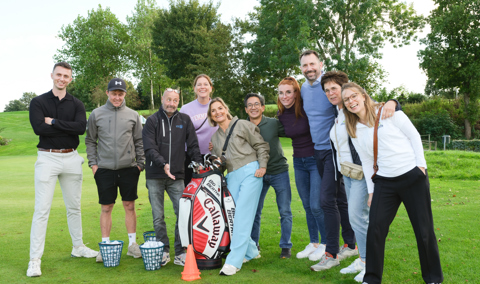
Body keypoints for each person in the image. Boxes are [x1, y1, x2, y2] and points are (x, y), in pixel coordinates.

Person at [341, 82, 443, 284]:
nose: (351, 101)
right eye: (346, 100)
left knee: (424, 230)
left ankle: (433, 278)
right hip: (385, 183)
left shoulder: (388, 111)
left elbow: (414, 136)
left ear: (363, 95)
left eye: (353, 96)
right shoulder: (353, 128)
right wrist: (371, 192)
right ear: (344, 105)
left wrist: (421, 168)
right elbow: (367, 161)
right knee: (375, 230)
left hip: (412, 177)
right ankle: (371, 279)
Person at [322, 71, 398, 282]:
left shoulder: (355, 111)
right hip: (347, 173)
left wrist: (394, 101)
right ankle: (364, 259)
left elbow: (381, 109)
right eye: (327, 90)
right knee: (357, 219)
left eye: (334, 89)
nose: (330, 93)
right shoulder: (339, 114)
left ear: (345, 88)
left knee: (358, 217)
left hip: (363, 173)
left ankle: (369, 263)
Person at [27, 62, 98, 277]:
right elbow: (39, 128)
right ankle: (34, 260)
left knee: (74, 207)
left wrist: (54, 122)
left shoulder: (76, 103)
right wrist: (62, 125)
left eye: (66, 76)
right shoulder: (38, 102)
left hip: (71, 157)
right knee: (42, 210)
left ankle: (78, 247)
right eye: (59, 75)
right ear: (52, 75)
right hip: (47, 157)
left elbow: (80, 128)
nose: (62, 79)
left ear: (70, 79)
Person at [299, 50, 356, 271]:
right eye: (304, 65)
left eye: (312, 64)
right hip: (318, 151)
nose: (309, 68)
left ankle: (331, 253)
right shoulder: (304, 88)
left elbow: (360, 101)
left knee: (326, 201)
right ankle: (350, 244)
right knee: (340, 198)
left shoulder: (334, 87)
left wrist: (393, 102)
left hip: (334, 151)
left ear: (320, 64)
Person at [85, 78, 145, 262]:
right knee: (106, 207)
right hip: (104, 169)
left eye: (120, 94)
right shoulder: (96, 114)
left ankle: (133, 245)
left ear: (124, 94)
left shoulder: (133, 115)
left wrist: (140, 163)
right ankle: (105, 246)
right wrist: (93, 164)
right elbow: (90, 140)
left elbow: (139, 141)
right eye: (114, 94)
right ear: (107, 93)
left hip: (128, 168)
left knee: (129, 205)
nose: (117, 97)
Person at [208, 97, 269, 276]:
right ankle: (251, 251)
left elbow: (261, 145)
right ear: (211, 116)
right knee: (232, 216)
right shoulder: (215, 138)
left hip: (251, 171)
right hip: (232, 175)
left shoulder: (242, 124)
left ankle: (233, 261)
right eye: (213, 111)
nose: (218, 112)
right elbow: (221, 162)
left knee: (242, 214)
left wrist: (263, 166)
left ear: (226, 109)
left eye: (220, 108)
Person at [142, 88, 202, 267]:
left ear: (178, 102)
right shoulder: (152, 121)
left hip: (177, 176)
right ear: (162, 99)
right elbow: (149, 148)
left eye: (175, 100)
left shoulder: (184, 120)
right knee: (158, 216)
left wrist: (198, 162)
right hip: (155, 175)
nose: (171, 103)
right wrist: (163, 164)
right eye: (168, 99)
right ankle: (163, 250)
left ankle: (179, 252)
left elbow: (192, 145)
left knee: (182, 214)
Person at [276, 77, 327, 261]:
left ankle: (325, 243)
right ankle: (313, 243)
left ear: (296, 93)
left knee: (316, 205)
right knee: (306, 205)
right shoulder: (281, 115)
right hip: (298, 162)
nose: (284, 96)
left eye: (288, 92)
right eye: (281, 93)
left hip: (315, 160)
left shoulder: (306, 109)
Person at [244, 93, 293, 259]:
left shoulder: (273, 123)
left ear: (263, 107)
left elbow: (294, 131)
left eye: (256, 104)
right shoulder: (243, 127)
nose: (253, 107)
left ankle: (286, 246)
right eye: (250, 105)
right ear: (246, 109)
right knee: (255, 212)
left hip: (279, 171)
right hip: (257, 174)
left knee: (285, 211)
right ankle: (254, 245)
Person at [180, 74, 218, 186]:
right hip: (190, 157)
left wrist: (217, 144)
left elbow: (226, 129)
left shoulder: (217, 106)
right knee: (191, 189)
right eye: (199, 84)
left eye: (206, 84)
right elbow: (180, 135)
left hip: (212, 156)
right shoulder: (186, 109)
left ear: (211, 88)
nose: (202, 87)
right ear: (194, 89)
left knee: (212, 190)